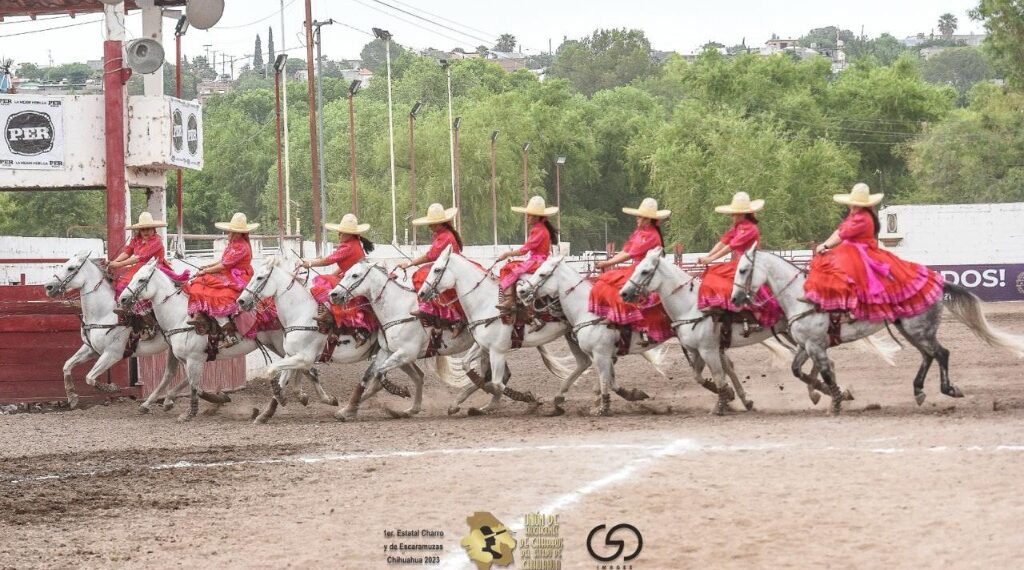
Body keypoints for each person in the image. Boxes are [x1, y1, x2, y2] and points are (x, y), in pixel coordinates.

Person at [804, 183, 944, 322]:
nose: (850, 206)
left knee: (841, 271)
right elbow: (839, 231)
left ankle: (845, 308)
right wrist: (824, 244)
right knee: (831, 265)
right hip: (851, 248)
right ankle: (829, 302)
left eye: (853, 203)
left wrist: (826, 245)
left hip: (860, 251)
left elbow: (842, 234)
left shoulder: (863, 218)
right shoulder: (856, 216)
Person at [588, 197, 674, 343]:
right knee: (604, 282)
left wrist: (607, 263)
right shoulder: (640, 232)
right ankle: (616, 317)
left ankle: (625, 321)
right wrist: (607, 263)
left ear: (648, 219)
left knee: (617, 288)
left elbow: (629, 254)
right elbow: (626, 250)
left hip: (643, 271)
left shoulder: (651, 235)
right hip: (635, 268)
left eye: (640, 217)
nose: (637, 219)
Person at [696, 192, 782, 327]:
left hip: (749, 264)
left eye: (734, 214)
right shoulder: (737, 227)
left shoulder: (750, 229)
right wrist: (708, 256)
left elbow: (730, 247)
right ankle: (727, 310)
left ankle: (746, 312)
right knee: (713, 273)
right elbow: (722, 242)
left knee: (714, 276)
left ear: (742, 214)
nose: (732, 216)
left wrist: (710, 258)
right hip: (739, 263)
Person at [109, 212, 189, 340]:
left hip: (155, 268)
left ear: (153, 229)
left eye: (148, 229)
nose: (145, 232)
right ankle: (130, 314)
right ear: (139, 231)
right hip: (140, 268)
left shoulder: (156, 241)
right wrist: (115, 262)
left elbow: (138, 258)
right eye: (143, 229)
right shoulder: (136, 240)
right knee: (121, 283)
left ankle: (147, 319)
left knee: (133, 286)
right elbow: (127, 252)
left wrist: (117, 264)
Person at [182, 212, 257, 348]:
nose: (231, 233)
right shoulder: (233, 243)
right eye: (231, 231)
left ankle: (229, 334)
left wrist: (206, 270)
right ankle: (200, 315)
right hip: (228, 272)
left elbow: (224, 265)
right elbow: (222, 261)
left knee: (217, 295)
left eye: (234, 231)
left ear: (242, 233)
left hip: (237, 277)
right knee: (199, 282)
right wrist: (208, 266)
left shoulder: (241, 246)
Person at [302, 213, 377, 344]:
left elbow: (328, 260)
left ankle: (330, 319)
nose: (339, 235)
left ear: (349, 234)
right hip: (351, 277)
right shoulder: (355, 243)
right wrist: (334, 274)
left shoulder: (348, 246)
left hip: (352, 281)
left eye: (342, 233)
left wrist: (309, 263)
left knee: (321, 286)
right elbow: (348, 264)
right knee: (328, 280)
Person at [396, 203, 466, 330]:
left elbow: (430, 256)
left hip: (449, 269)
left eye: (432, 224)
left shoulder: (445, 237)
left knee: (420, 275)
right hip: (447, 266)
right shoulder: (443, 234)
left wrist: (410, 264)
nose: (429, 226)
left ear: (441, 223)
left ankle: (428, 308)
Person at [496, 196, 559, 314]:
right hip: (538, 260)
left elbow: (524, 250)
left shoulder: (539, 230)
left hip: (536, 262)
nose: (527, 218)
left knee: (508, 268)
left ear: (536, 217)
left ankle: (510, 300)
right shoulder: (541, 228)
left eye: (529, 216)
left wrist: (506, 254)